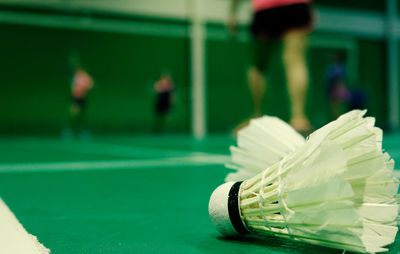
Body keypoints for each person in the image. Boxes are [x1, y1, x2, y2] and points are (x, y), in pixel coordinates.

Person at [228, 0, 314, 135]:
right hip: (296, 6)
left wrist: (232, 14)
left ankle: (256, 116)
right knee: (295, 61)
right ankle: (298, 118)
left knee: (258, 65)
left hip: (266, 8)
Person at [64, 51, 94, 139]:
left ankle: (82, 131)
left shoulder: (84, 75)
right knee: (73, 115)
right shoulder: (75, 75)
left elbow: (90, 86)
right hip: (75, 99)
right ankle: (68, 131)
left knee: (82, 117)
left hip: (82, 99)